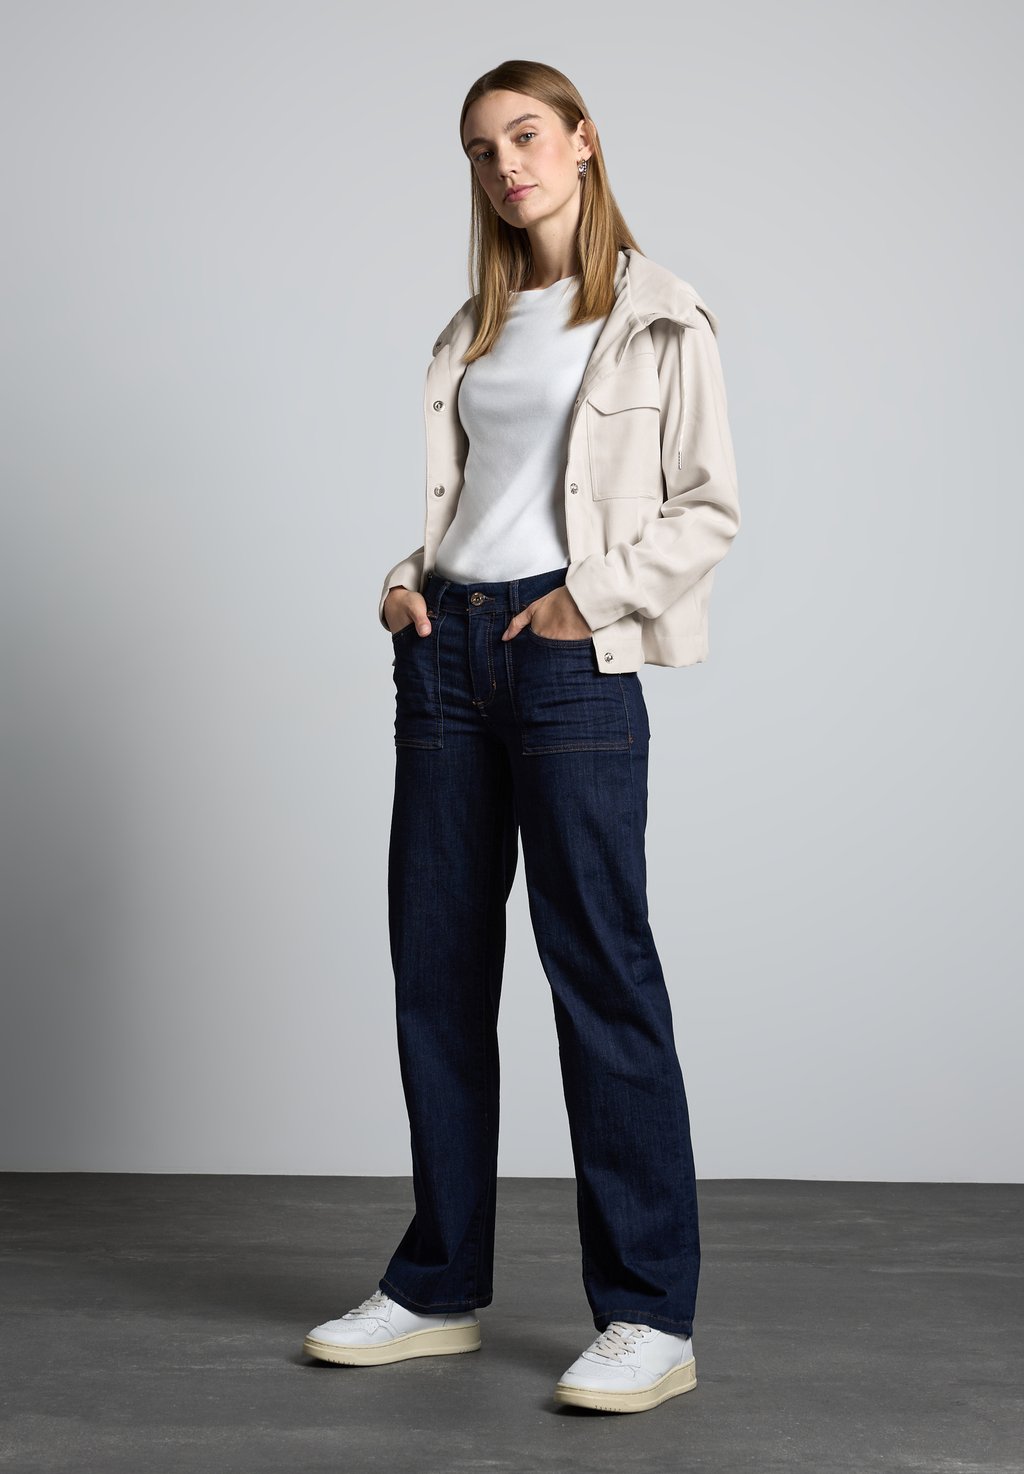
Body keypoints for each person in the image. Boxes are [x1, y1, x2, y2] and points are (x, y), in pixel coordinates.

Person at [304, 58, 741, 1416]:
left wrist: (581, 601)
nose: (506, 166)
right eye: (482, 150)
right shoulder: (474, 330)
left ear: (584, 141)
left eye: (527, 135)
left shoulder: (659, 318)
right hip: (444, 652)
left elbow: (707, 508)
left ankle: (649, 1314)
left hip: (566, 659)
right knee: (435, 967)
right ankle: (437, 1285)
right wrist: (406, 582)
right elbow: (475, 507)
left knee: (599, 970)